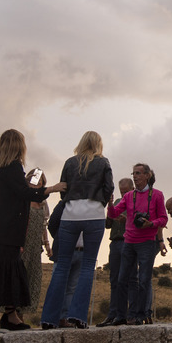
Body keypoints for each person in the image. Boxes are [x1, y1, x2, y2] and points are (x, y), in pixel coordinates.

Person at [0, 130, 64, 333]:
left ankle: (10, 315)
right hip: (4, 231)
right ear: (19, 146)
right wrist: (51, 188)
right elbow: (24, 192)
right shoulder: (13, 167)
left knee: (6, 269)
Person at [40, 131, 114, 330]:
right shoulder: (104, 162)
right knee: (88, 266)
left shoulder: (70, 162)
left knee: (62, 266)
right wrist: (100, 204)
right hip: (94, 215)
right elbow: (109, 189)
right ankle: (78, 317)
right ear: (99, 144)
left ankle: (49, 318)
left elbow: (63, 188)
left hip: (70, 215)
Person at [107, 163, 169, 324]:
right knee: (122, 280)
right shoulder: (128, 196)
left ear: (147, 175)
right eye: (133, 173)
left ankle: (139, 315)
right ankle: (121, 316)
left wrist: (151, 224)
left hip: (147, 242)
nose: (135, 176)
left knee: (143, 280)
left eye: (138, 173)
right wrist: (109, 203)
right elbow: (114, 213)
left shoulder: (157, 195)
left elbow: (163, 218)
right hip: (129, 241)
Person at [98, 178, 134, 327]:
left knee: (131, 279)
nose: (124, 194)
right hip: (115, 243)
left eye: (126, 191)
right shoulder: (118, 201)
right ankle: (113, 314)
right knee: (114, 280)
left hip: (130, 242)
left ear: (132, 189)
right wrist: (110, 208)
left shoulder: (137, 201)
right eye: (121, 191)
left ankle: (131, 315)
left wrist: (126, 221)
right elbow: (107, 225)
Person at [22, 168, 51, 314]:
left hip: (36, 246)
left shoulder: (43, 204)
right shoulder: (23, 200)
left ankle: (22, 313)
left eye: (39, 181)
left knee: (33, 279)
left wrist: (47, 245)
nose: (36, 183)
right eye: (33, 180)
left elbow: (43, 226)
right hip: (22, 244)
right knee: (18, 276)